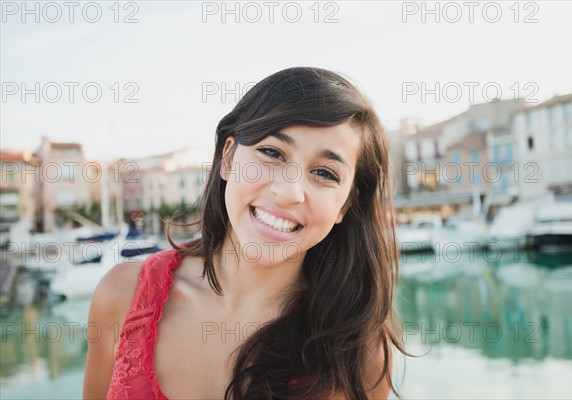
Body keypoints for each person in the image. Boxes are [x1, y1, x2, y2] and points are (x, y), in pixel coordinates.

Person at [83, 66, 407, 399]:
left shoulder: (359, 355)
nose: (289, 191)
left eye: (324, 173)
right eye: (272, 153)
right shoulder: (121, 294)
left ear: (344, 207)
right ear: (228, 157)